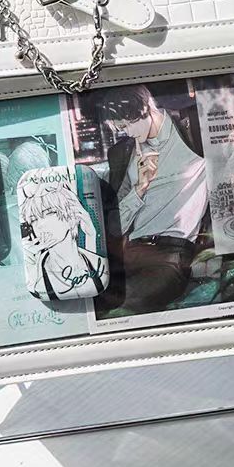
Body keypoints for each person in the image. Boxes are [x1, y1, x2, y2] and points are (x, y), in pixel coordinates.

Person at [95, 85, 208, 313]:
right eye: (120, 129)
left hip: (170, 255)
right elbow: (116, 226)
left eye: (127, 125)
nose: (127, 133)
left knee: (123, 308)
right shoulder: (122, 153)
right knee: (92, 302)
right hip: (129, 253)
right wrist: (139, 188)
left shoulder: (193, 129)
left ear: (145, 109)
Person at [19, 178, 106, 301]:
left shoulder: (98, 263)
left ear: (71, 215)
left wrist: (91, 237)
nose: (40, 225)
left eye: (49, 213)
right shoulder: (36, 280)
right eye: (33, 219)